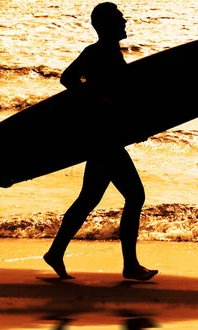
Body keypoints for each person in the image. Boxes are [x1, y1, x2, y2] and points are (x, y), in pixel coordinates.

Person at [44, 2, 158, 282]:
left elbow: (119, 95)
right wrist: (93, 98)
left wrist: (135, 127)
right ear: (106, 25)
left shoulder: (112, 53)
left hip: (107, 137)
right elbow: (67, 78)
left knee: (88, 199)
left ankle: (56, 252)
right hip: (103, 139)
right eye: (119, 19)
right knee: (135, 196)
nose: (125, 22)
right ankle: (130, 265)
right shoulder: (95, 52)